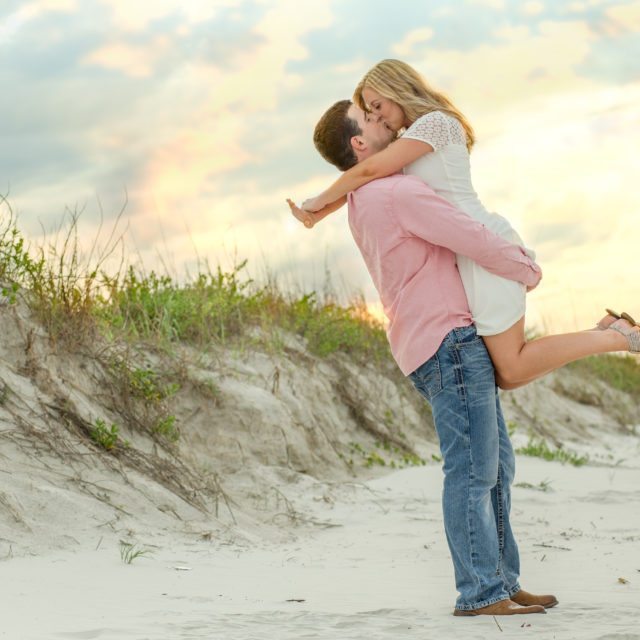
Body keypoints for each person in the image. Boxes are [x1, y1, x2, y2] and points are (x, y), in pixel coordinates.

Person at [288, 99, 558, 616]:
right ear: (360, 146)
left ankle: (501, 581)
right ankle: (479, 593)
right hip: (448, 340)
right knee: (475, 471)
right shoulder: (395, 191)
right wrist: (524, 267)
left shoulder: (363, 198)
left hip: (431, 342)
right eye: (369, 118)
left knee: (496, 465)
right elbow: (470, 236)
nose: (384, 118)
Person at [291, 59, 639, 387]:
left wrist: (318, 204)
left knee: (512, 365)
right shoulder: (406, 139)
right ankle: (607, 331)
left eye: (377, 105)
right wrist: (319, 212)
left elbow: (366, 171)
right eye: (370, 112)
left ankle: (616, 337)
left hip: (481, 240)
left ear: (397, 88)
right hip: (465, 251)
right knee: (506, 375)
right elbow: (364, 176)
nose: (377, 116)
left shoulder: (435, 124)